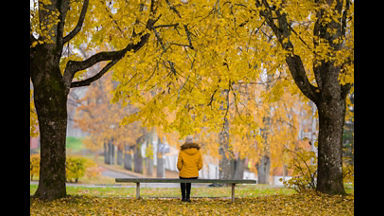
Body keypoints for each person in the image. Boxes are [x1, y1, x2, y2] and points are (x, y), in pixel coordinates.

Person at [177, 137, 203, 202]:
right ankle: (188, 197)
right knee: (189, 181)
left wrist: (181, 169)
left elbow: (179, 164)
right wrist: (196, 169)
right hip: (194, 174)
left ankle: (183, 197)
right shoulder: (197, 151)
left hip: (183, 174)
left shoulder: (182, 151)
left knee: (183, 179)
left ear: (185, 142)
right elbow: (200, 165)